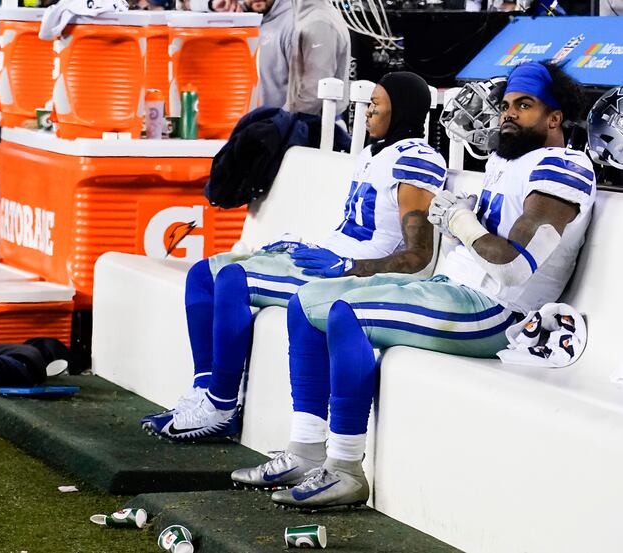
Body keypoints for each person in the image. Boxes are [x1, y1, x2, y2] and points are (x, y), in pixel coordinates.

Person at [232, 61, 595, 509]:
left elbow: (514, 267)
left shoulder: (566, 167)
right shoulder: (507, 162)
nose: (508, 115)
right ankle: (306, 451)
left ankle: (345, 468)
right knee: (305, 303)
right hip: (451, 289)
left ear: (555, 117)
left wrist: (459, 220)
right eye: (506, 105)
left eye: (525, 105)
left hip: (496, 312)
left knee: (348, 316)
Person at [142, 72, 447, 442]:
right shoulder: (372, 153)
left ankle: (221, 407)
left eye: (377, 106)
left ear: (402, 112)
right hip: (330, 256)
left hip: (352, 275)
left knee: (233, 279)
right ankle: (202, 391)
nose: (367, 113)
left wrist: (350, 267)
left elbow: (417, 255)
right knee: (204, 274)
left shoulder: (417, 158)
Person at [195, 0, 294, 109]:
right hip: (237, 120)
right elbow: (181, 7)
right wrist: (211, 4)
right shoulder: (236, 16)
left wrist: (277, 124)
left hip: (275, 123)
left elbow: (305, 97)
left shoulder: (293, 25)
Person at [284, 0, 350, 115]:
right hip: (312, 121)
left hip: (316, 124)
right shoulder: (309, 15)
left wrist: (286, 121)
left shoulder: (319, 22)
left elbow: (316, 90)